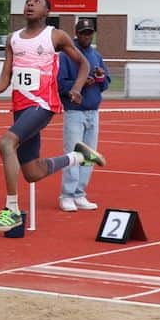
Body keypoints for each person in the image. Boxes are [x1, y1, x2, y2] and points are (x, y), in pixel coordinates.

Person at [0, 0, 106, 232]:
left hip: (43, 105)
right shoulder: (13, 39)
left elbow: (84, 63)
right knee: (33, 172)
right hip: (20, 107)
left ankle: (12, 211)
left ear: (47, 11)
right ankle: (79, 156)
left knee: (6, 143)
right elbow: (6, 76)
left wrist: (77, 88)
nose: (30, 4)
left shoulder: (55, 35)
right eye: (28, 1)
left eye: (36, 2)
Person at [56, 18, 110, 212]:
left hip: (93, 112)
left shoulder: (96, 55)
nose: (87, 36)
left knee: (89, 155)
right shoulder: (66, 56)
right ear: (76, 34)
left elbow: (106, 83)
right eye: (83, 33)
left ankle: (79, 193)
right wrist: (79, 83)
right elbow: (60, 84)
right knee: (73, 153)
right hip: (75, 112)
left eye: (89, 33)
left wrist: (100, 77)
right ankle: (67, 195)